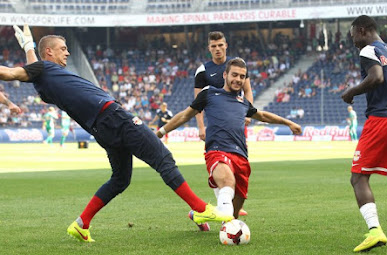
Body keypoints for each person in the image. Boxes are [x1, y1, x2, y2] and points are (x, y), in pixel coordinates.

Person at [3, 24, 233, 242]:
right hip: (113, 116)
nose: (68, 52)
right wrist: (31, 49)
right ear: (49, 52)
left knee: (120, 179)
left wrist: (28, 46)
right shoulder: (45, 69)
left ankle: (81, 224)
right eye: (63, 49)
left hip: (101, 129)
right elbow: (12, 73)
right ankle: (202, 210)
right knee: (163, 159)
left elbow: (32, 69)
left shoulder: (43, 81)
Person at [157, 58, 302, 225]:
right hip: (217, 151)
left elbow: (262, 116)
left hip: (240, 155)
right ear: (225, 74)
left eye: (242, 76)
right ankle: (214, 214)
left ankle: (200, 216)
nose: (238, 80)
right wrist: (160, 132)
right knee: (227, 181)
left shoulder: (243, 103)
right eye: (234, 75)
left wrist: (288, 122)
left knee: (233, 216)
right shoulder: (209, 93)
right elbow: (184, 115)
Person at [341, 15, 387, 252]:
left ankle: (375, 230)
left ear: (362, 30)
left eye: (353, 33)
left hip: (382, 118)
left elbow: (376, 77)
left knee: (358, 176)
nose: (352, 39)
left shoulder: (368, 50)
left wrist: (351, 92)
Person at [194, 31, 254, 217]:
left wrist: (248, 112)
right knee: (218, 159)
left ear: (226, 45)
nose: (217, 49)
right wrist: (201, 126)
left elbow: (248, 90)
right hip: (215, 122)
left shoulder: (238, 66)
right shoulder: (203, 71)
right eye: (214, 46)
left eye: (220, 45)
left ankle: (229, 204)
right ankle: (225, 204)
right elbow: (197, 102)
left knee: (238, 159)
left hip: (236, 118)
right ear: (209, 48)